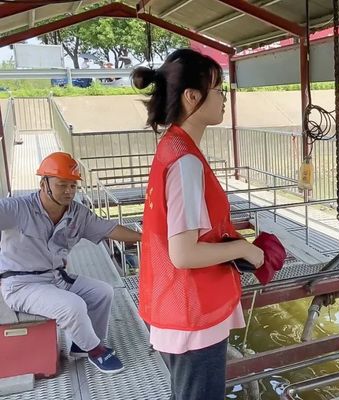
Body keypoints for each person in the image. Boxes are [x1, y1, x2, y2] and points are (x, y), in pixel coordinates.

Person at [134, 48, 264, 400]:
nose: (224, 98)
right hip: (192, 311)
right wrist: (243, 249)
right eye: (219, 89)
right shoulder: (186, 161)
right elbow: (184, 253)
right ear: (192, 97)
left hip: (174, 303)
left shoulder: (171, 146)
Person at [0, 152, 141, 374]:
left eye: (73, 185)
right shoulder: (17, 208)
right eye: (62, 185)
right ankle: (96, 351)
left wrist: (147, 238)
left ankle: (82, 346)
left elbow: (109, 229)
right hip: (21, 285)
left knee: (102, 292)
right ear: (44, 184)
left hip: (56, 277)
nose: (69, 191)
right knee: (72, 306)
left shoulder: (77, 213)